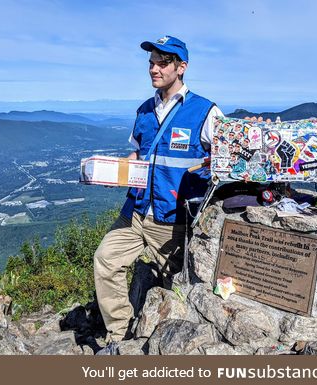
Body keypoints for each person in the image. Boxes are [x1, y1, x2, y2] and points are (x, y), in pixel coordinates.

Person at [93, 35, 223, 353]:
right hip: (135, 211)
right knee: (105, 260)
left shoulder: (205, 111)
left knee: (179, 286)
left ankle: (171, 342)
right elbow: (139, 156)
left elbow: (227, 158)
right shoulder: (144, 111)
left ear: (182, 67)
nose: (154, 67)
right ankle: (119, 335)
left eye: (163, 62)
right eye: (151, 61)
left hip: (174, 218)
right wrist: (111, 170)